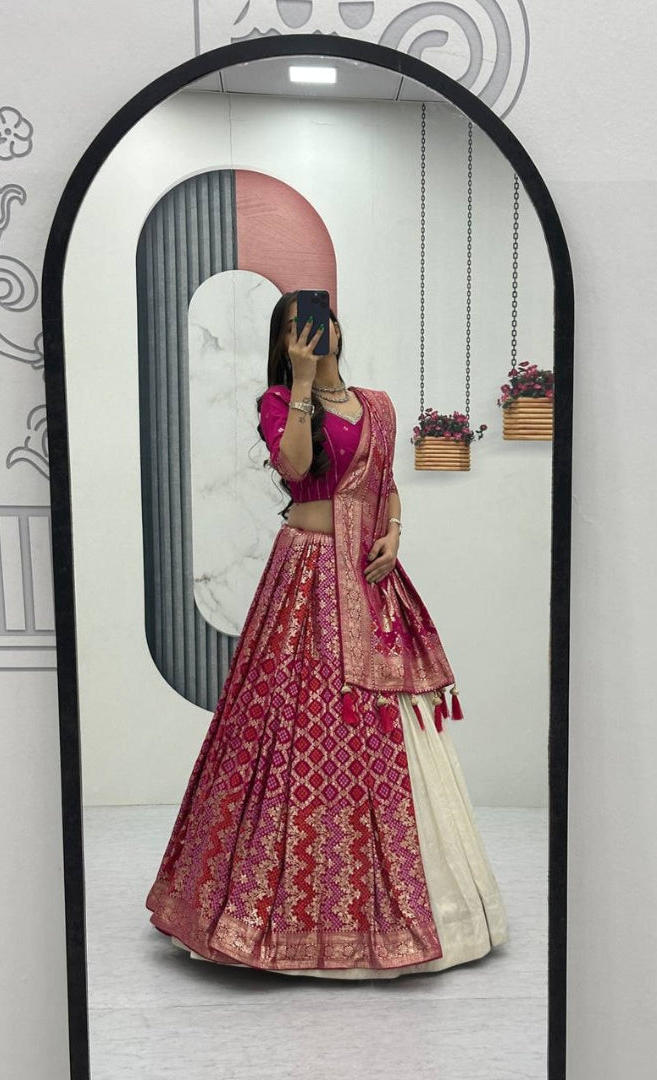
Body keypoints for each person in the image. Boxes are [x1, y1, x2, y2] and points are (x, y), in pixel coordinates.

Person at [145, 290, 508, 978]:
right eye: (293, 330)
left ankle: (418, 908)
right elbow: (295, 467)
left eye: (318, 323)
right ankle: (267, 912)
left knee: (380, 727)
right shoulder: (278, 403)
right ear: (283, 344)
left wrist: (396, 533)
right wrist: (304, 385)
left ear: (338, 327)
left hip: (367, 584)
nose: (310, 335)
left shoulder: (378, 405)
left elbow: (386, 488)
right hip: (305, 582)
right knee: (282, 725)